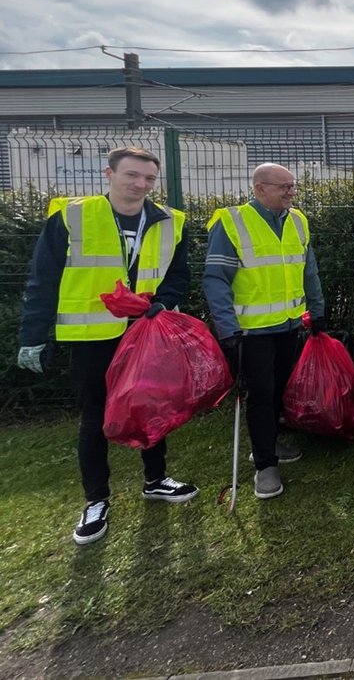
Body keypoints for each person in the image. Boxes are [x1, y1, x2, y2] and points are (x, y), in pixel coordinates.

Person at [17, 146, 196, 545]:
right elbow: (43, 278)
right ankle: (96, 500)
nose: (141, 184)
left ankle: (156, 478)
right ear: (109, 174)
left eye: (149, 179)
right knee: (95, 416)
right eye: (132, 175)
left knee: (151, 406)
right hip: (91, 334)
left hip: (146, 331)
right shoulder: (72, 215)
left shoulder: (170, 221)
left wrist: (162, 303)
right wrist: (33, 335)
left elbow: (179, 274)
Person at [203, 163, 326, 500]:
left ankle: (267, 443)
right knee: (260, 394)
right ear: (259, 188)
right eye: (283, 186)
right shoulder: (232, 222)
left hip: (288, 325)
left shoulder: (298, 221)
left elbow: (308, 270)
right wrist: (227, 329)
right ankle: (265, 466)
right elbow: (216, 279)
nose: (291, 192)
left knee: (278, 390)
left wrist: (316, 311)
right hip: (250, 331)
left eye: (292, 186)